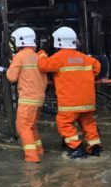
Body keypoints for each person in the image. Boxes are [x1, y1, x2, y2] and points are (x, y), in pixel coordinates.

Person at [37, 26, 101, 159]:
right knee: (88, 123)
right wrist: (86, 77)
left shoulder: (58, 57)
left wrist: (41, 54)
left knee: (64, 123)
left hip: (70, 102)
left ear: (58, 41)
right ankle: (94, 148)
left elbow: (43, 66)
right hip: (88, 101)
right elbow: (97, 66)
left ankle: (76, 148)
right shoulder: (85, 58)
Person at [6, 27, 48, 163]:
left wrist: (9, 69)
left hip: (27, 99)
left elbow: (12, 77)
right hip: (39, 98)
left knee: (23, 126)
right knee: (31, 126)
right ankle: (39, 151)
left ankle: (32, 157)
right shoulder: (38, 57)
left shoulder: (20, 56)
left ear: (20, 40)